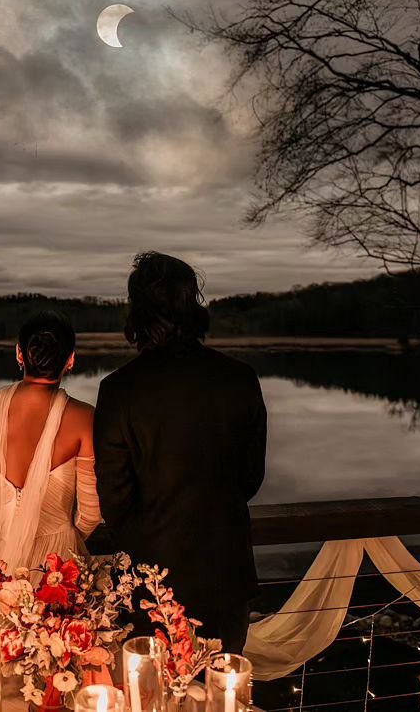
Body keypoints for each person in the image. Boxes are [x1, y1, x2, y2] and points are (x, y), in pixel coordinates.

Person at [93, 252, 267, 653]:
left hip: (150, 580)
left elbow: (114, 498)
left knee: (150, 695)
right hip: (225, 573)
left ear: (137, 311)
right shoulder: (240, 379)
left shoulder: (119, 390)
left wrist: (149, 537)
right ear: (193, 305)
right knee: (218, 696)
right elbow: (250, 478)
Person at [0, 311, 102, 652]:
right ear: (71, 360)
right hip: (54, 566)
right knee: (49, 668)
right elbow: (91, 513)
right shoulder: (84, 418)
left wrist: (4, 518)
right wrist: (62, 534)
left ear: (18, 354)